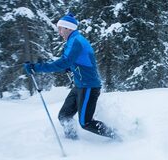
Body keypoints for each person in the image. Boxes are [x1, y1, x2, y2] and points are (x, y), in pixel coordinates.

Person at [24, 13, 120, 141]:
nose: (59, 32)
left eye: (61, 29)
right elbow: (77, 61)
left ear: (69, 28)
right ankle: (72, 141)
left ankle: (117, 135)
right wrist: (70, 67)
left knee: (85, 122)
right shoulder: (73, 40)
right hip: (80, 85)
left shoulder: (77, 42)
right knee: (64, 115)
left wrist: (37, 68)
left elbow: (64, 61)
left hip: (89, 86)